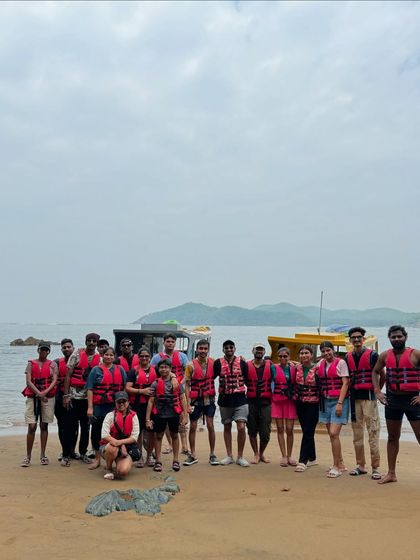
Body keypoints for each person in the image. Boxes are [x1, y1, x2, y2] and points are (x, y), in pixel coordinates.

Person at [372, 325, 420, 484]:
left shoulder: (415, 354)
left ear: (405, 337)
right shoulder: (385, 355)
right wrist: (378, 391)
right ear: (390, 339)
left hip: (413, 400)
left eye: (399, 336)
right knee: (393, 437)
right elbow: (375, 371)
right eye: (393, 337)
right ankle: (391, 473)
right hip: (392, 400)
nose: (397, 339)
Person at [346, 327, 383, 480]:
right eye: (353, 338)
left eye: (359, 337)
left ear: (364, 338)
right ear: (350, 340)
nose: (356, 340)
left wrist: (378, 391)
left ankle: (375, 468)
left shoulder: (373, 355)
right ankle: (361, 465)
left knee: (373, 432)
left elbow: (383, 375)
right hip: (354, 398)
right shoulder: (348, 357)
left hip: (369, 398)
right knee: (357, 434)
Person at [63, 333, 101, 464]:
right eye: (89, 341)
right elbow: (68, 375)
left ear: (97, 343)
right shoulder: (76, 355)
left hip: (88, 400)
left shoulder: (99, 359)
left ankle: (83, 453)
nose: (91, 343)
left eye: (94, 341)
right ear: (85, 342)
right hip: (73, 397)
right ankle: (66, 454)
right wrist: (66, 395)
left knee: (86, 428)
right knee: (70, 427)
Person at [86, 347, 127, 470]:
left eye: (111, 355)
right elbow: (90, 389)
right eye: (106, 355)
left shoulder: (120, 370)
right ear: (102, 356)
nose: (108, 357)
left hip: (114, 406)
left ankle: (114, 458)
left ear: (114, 357)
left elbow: (124, 387)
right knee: (96, 433)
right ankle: (97, 459)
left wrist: (123, 404)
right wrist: (90, 408)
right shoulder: (95, 370)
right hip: (99, 407)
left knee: (115, 431)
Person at [145, 359, 188, 472]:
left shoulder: (176, 383)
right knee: (158, 436)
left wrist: (185, 415)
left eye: (166, 367)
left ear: (170, 369)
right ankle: (158, 461)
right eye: (162, 367)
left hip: (174, 413)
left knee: (174, 435)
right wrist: (147, 419)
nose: (164, 369)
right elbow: (150, 401)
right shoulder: (155, 383)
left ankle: (176, 460)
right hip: (159, 414)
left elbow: (182, 398)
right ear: (159, 370)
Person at [151, 332, 190, 454]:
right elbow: (153, 372)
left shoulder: (182, 356)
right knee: (167, 418)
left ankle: (185, 446)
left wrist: (179, 383)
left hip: (179, 390)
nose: (170, 344)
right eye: (168, 341)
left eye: (172, 342)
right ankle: (170, 444)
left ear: (175, 343)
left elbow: (187, 373)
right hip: (164, 391)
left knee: (182, 416)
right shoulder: (157, 358)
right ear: (164, 342)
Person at [21, 341, 58, 467]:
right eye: (42, 349)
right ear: (38, 350)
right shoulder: (31, 364)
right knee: (31, 426)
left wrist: (44, 393)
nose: (44, 352)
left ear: (49, 351)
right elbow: (28, 381)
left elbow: (54, 381)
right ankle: (28, 456)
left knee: (44, 425)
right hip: (33, 397)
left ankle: (43, 455)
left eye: (46, 350)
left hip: (48, 397)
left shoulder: (53, 364)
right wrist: (38, 393)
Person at [213, 340, 249, 467]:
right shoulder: (217, 363)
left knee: (241, 427)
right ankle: (229, 455)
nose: (229, 349)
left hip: (240, 399)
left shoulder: (243, 363)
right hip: (224, 399)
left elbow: (249, 381)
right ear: (223, 350)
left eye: (231, 347)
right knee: (227, 426)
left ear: (234, 348)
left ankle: (240, 456)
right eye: (226, 348)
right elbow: (209, 377)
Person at [184, 339, 219, 466]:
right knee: (193, 427)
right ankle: (193, 454)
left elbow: (224, 367)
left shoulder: (214, 363)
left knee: (211, 425)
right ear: (197, 349)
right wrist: (187, 404)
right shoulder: (190, 365)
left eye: (205, 348)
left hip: (209, 400)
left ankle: (212, 454)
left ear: (208, 349)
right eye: (201, 348)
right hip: (195, 401)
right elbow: (187, 385)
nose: (203, 351)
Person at [318, 341, 350, 478]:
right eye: (324, 351)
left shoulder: (341, 363)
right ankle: (340, 463)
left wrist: (340, 403)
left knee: (333, 433)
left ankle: (336, 467)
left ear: (333, 351)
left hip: (338, 401)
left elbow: (346, 382)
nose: (326, 353)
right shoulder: (320, 364)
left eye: (328, 350)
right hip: (325, 401)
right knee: (332, 436)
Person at [125, 346, 157, 467]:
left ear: (150, 357)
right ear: (138, 357)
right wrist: (142, 391)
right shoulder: (134, 371)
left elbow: (166, 376)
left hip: (153, 405)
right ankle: (139, 456)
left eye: (147, 356)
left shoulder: (156, 370)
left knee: (151, 432)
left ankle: (149, 456)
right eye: (142, 356)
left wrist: (174, 378)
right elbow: (127, 388)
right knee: (138, 432)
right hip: (137, 405)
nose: (144, 358)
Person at [100, 391, 140, 480]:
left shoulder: (134, 416)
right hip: (111, 447)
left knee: (122, 472)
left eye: (124, 402)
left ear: (128, 402)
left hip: (127, 448)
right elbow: (104, 435)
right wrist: (120, 444)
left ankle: (120, 462)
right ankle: (109, 469)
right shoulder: (109, 416)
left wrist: (120, 443)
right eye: (119, 402)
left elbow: (134, 437)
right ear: (115, 403)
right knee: (111, 448)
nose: (121, 404)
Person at [294, 345, 320, 473]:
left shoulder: (318, 369)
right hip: (300, 403)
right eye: (302, 353)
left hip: (313, 404)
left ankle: (302, 461)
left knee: (308, 431)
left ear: (311, 355)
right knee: (306, 431)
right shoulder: (296, 368)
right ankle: (313, 457)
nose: (304, 355)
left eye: (307, 353)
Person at [246, 343, 273, 464]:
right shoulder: (246, 366)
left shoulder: (270, 365)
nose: (259, 351)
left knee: (265, 432)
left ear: (264, 352)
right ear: (253, 351)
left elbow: (282, 369)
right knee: (252, 430)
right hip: (251, 402)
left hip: (266, 403)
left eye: (261, 350)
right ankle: (256, 454)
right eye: (257, 349)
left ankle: (262, 453)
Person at [271, 346, 297, 467]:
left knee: (290, 429)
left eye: (285, 356)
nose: (283, 358)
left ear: (289, 357)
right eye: (280, 356)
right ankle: (284, 456)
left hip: (290, 401)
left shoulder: (294, 368)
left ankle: (290, 455)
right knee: (280, 429)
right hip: (277, 401)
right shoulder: (273, 368)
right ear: (277, 357)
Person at [54, 338, 77, 466]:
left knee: (73, 426)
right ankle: (65, 451)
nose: (67, 349)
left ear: (73, 348)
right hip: (59, 398)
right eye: (64, 347)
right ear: (61, 349)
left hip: (73, 397)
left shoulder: (77, 362)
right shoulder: (57, 362)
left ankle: (72, 451)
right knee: (62, 426)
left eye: (69, 347)